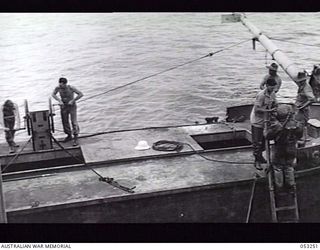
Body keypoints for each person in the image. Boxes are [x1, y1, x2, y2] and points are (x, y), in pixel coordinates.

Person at [265, 104, 303, 189]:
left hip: (279, 149)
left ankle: (279, 186)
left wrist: (267, 126)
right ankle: (291, 185)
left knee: (278, 167)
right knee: (289, 166)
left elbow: (267, 136)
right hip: (291, 149)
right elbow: (300, 135)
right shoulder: (297, 124)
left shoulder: (277, 126)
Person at [250, 78, 278, 167]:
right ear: (267, 86)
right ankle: (257, 161)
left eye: (274, 88)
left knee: (264, 140)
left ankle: (260, 157)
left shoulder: (272, 93)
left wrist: (275, 108)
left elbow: (275, 103)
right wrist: (269, 111)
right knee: (257, 142)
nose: (272, 89)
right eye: (271, 87)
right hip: (257, 121)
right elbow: (257, 109)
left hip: (266, 121)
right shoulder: (261, 95)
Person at [52, 77, 83, 146]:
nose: (60, 86)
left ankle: (75, 137)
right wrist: (59, 101)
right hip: (63, 106)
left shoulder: (71, 88)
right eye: (59, 84)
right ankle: (69, 135)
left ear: (65, 84)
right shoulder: (58, 88)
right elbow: (53, 94)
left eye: (62, 84)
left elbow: (81, 94)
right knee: (65, 121)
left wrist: (73, 100)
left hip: (72, 106)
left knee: (73, 122)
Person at [294, 71, 315, 145]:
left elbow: (312, 99)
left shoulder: (306, 87)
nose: (300, 82)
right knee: (298, 123)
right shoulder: (301, 86)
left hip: (303, 109)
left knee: (302, 124)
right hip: (299, 107)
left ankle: (303, 139)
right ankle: (301, 138)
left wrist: (303, 106)